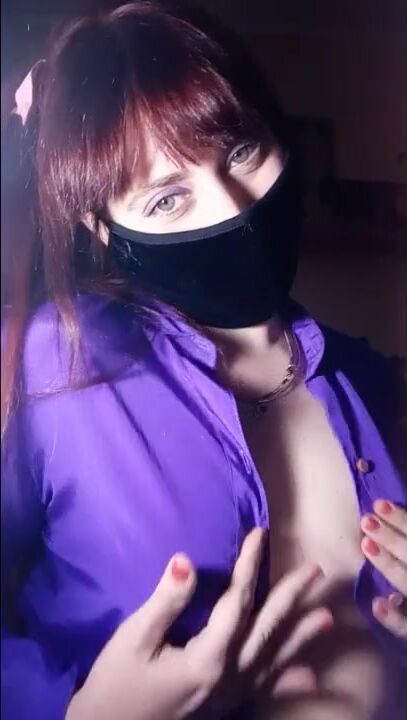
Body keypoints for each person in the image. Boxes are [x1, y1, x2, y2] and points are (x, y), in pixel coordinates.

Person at [1, 2, 406, 719]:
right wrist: (76, 712)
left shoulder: (369, 379)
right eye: (166, 200)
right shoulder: (50, 364)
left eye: (242, 153)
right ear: (102, 228)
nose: (230, 210)